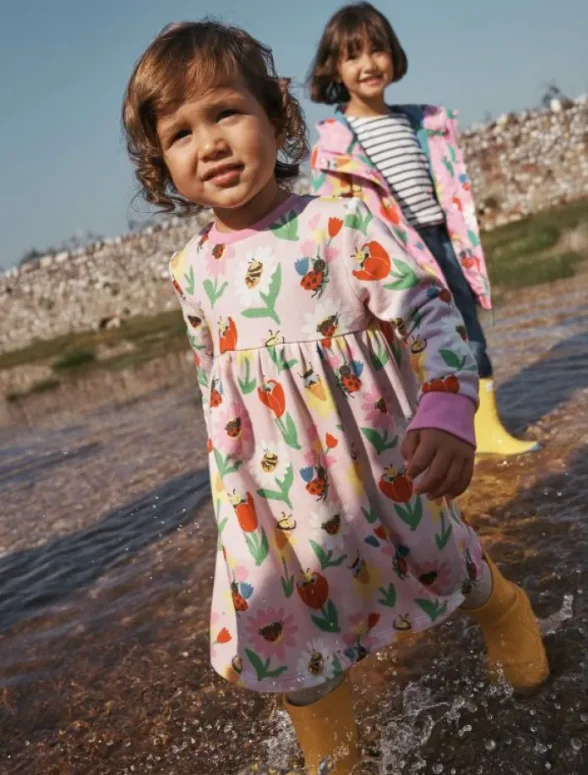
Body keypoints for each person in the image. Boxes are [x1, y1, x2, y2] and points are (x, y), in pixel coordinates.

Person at [122, 20, 549, 775]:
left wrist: (448, 406)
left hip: (379, 461)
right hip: (273, 490)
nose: (211, 143)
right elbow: (212, 378)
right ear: (160, 161)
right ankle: (339, 762)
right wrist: (233, 492)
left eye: (226, 113)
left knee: (439, 557)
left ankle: (504, 609)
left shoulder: (337, 222)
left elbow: (431, 307)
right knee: (286, 622)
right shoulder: (190, 269)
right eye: (181, 131)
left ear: (275, 111)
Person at [307, 1, 540, 457]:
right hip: (391, 257)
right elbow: (330, 213)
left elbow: (448, 188)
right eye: (353, 55)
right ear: (334, 67)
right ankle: (428, 437)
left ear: (394, 55)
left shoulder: (420, 124)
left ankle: (485, 429)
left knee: (468, 332)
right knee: (411, 349)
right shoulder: (336, 141)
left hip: (441, 243)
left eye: (378, 50)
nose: (369, 64)